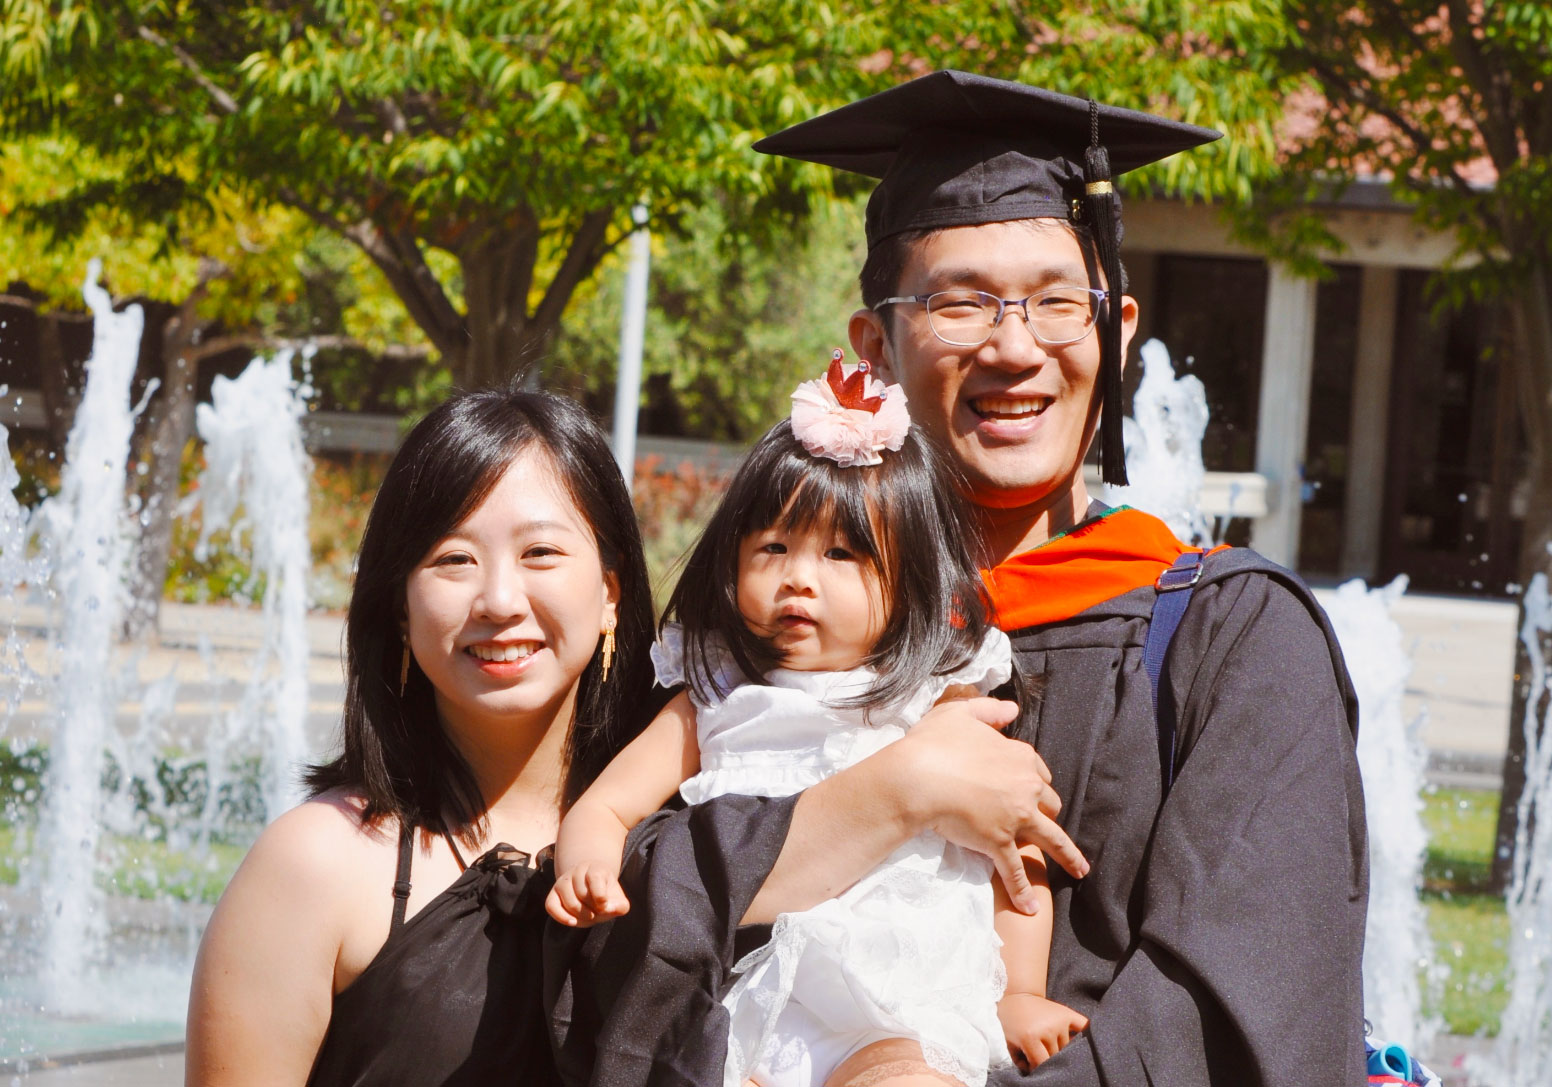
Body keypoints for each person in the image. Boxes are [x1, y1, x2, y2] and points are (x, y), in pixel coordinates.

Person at [551, 71, 1367, 1087]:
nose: (1015, 347)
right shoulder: (772, 634)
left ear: (1111, 335)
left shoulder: (1232, 635)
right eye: (960, 302)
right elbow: (611, 916)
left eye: (1054, 304)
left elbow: (1234, 1005)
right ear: (872, 348)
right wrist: (886, 796)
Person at [549, 355, 1087, 1087]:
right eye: (772, 547)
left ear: (909, 583)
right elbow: (609, 803)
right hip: (744, 995)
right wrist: (586, 860)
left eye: (841, 553)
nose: (799, 575)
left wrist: (1019, 988)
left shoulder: (934, 698)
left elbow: (1015, 844)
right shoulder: (713, 693)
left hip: (897, 998)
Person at [184, 391, 660, 1086]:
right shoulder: (315, 864)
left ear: (611, 593)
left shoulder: (686, 833)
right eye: (453, 558)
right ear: (401, 611)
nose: (498, 599)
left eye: (540, 551)